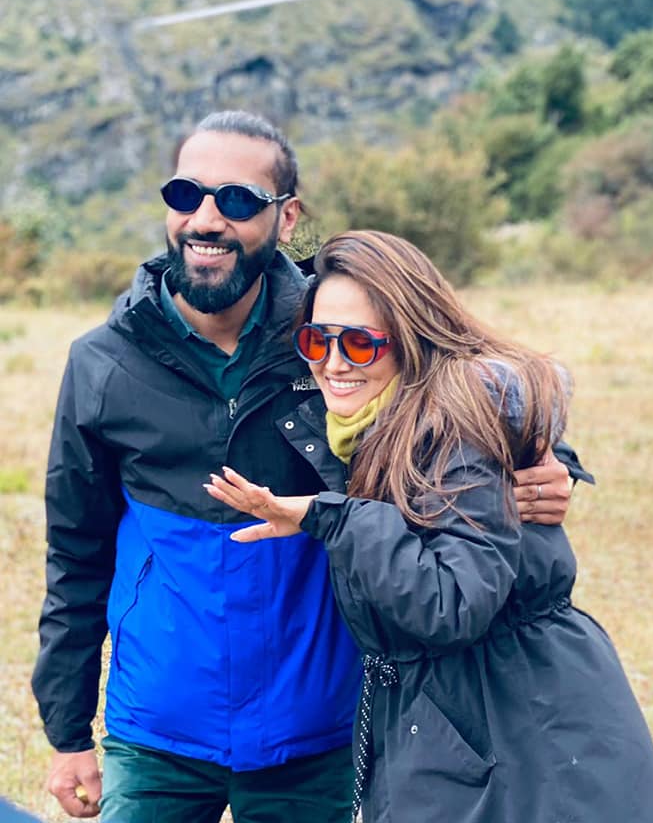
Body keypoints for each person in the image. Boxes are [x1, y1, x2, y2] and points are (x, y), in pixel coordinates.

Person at [32, 112, 584, 823]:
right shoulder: (102, 362)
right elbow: (75, 553)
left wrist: (549, 461)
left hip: (319, 728)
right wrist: (68, 734)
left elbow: (464, 382)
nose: (206, 219)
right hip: (158, 727)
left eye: (237, 200)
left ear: (286, 217)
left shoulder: (331, 334)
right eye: (185, 194)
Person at [206, 230, 653, 823]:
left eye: (359, 343)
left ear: (412, 337)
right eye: (316, 340)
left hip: (522, 729)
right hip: (462, 719)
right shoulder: (372, 425)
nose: (332, 363)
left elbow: (450, 602)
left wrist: (329, 516)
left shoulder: (455, 425)